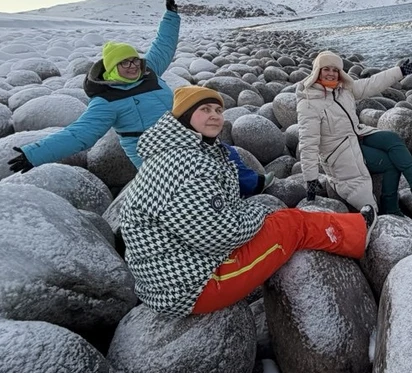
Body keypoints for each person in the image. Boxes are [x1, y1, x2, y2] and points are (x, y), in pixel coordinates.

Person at [118, 86, 374, 317]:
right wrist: (258, 213)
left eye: (218, 109)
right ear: (184, 116)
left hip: (170, 278)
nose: (215, 115)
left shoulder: (178, 153)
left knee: (277, 219)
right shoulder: (186, 163)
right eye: (204, 110)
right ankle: (359, 234)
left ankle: (348, 226)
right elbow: (219, 235)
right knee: (291, 224)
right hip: (191, 287)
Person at [6, 0, 271, 194]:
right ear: (112, 69)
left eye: (134, 60)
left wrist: (171, 17)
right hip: (151, 152)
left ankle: (252, 187)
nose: (133, 66)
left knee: (226, 154)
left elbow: (163, 45)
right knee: (195, 178)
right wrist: (35, 154)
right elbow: (80, 134)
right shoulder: (106, 99)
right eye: (125, 63)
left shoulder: (149, 71)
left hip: (183, 136)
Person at [295, 50, 412, 216]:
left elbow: (373, 83)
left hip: (356, 135)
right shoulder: (309, 103)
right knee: (391, 163)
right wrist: (310, 179)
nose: (331, 74)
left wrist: (401, 71)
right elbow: (308, 143)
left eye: (335, 70)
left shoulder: (343, 89)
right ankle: (390, 207)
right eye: (326, 69)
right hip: (339, 152)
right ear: (317, 70)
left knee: (391, 138)